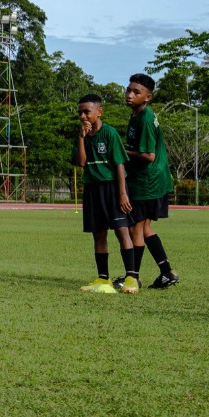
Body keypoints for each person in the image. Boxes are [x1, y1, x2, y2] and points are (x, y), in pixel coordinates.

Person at [75, 94, 135, 293]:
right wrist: (82, 138)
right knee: (98, 234)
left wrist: (122, 194)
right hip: (92, 189)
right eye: (80, 112)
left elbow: (119, 164)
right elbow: (81, 162)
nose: (83, 116)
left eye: (87, 112)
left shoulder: (109, 133)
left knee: (121, 231)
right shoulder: (81, 135)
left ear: (99, 111)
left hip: (112, 188)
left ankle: (131, 278)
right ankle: (103, 279)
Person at [123, 74, 178, 289]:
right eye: (128, 90)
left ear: (148, 97)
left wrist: (121, 151)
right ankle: (167, 272)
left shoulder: (145, 118)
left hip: (148, 182)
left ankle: (132, 277)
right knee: (144, 228)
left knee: (135, 229)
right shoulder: (137, 115)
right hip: (154, 181)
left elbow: (148, 155)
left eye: (136, 92)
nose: (130, 95)